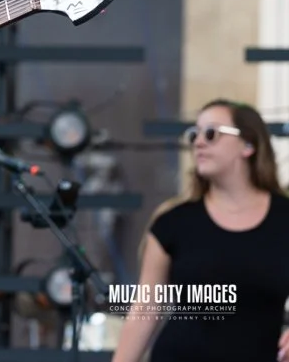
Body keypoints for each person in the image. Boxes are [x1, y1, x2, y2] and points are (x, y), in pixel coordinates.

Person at [112, 98, 289, 362]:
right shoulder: (173, 222)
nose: (198, 143)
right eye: (194, 135)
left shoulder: (283, 219)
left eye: (211, 133)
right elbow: (145, 310)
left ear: (248, 145)